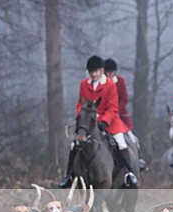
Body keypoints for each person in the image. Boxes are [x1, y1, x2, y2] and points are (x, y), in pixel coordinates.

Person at [58, 55, 137, 189]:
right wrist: (81, 118)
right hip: (88, 123)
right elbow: (80, 104)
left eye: (95, 71)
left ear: (101, 71)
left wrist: (104, 122)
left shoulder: (110, 85)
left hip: (109, 122)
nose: (93, 74)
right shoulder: (84, 84)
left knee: (121, 143)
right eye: (91, 72)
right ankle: (69, 176)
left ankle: (129, 173)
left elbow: (113, 107)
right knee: (74, 145)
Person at [104, 58, 147, 172]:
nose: (110, 74)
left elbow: (124, 99)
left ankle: (139, 161)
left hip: (121, 115)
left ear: (115, 72)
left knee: (133, 138)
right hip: (105, 116)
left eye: (112, 72)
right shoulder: (102, 83)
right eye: (108, 72)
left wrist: (116, 110)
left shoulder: (120, 81)